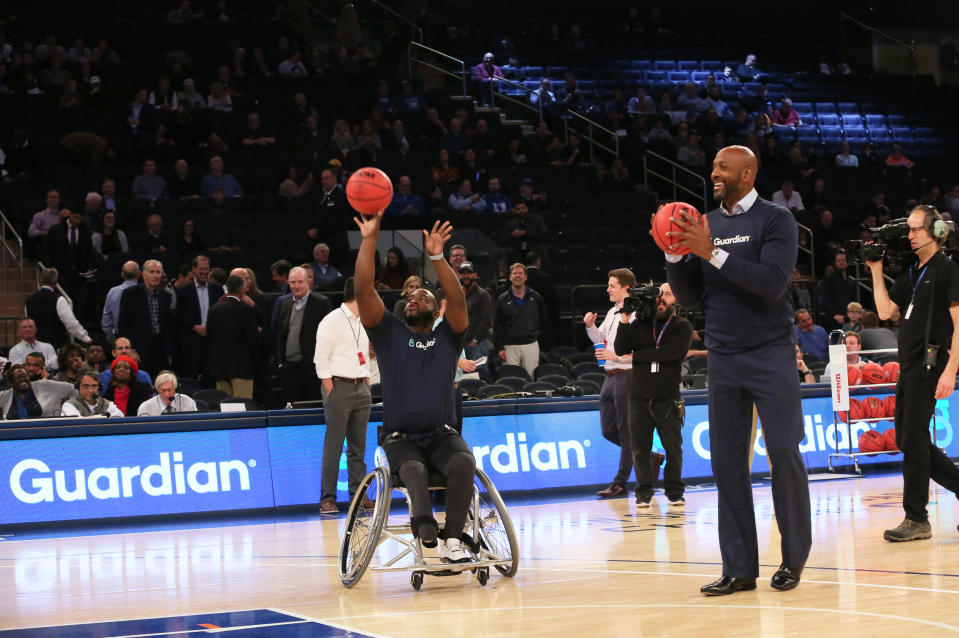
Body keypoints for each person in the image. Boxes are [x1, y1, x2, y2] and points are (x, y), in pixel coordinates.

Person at [664, 145, 811, 595]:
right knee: (728, 464)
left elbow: (771, 284)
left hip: (771, 354)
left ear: (748, 173)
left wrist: (711, 252)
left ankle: (792, 560)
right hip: (724, 358)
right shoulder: (707, 222)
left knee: (783, 452)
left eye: (723, 167)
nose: (714, 173)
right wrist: (673, 255)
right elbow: (688, 298)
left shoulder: (775, 220)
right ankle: (739, 568)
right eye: (713, 167)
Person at [353, 210, 476, 564]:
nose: (412, 300)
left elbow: (460, 299)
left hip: (441, 434)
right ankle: (424, 527)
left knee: (465, 462)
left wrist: (437, 257)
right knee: (415, 471)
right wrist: (369, 240)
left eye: (422, 298)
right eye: (410, 298)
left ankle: (453, 539)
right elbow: (363, 288)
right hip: (401, 438)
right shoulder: (389, 333)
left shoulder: (448, 336)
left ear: (438, 309)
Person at [867, 205, 959, 542]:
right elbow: (886, 311)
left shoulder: (947, 269)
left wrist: (951, 369)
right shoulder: (911, 271)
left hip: (931, 364)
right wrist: (876, 270)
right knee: (909, 440)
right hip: (908, 366)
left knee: (915, 439)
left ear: (935, 232)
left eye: (915, 229)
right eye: (908, 229)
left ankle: (916, 518)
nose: (909, 235)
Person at [614, 282, 693, 506]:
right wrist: (625, 318)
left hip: (667, 396)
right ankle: (643, 492)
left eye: (667, 294)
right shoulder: (641, 324)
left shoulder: (682, 326)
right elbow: (620, 348)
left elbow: (670, 353)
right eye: (659, 294)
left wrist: (636, 356)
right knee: (640, 448)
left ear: (675, 300)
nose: (661, 298)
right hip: (639, 397)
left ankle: (674, 491)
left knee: (673, 448)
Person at [314, 277, 372, 514]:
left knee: (358, 447)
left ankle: (358, 497)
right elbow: (321, 358)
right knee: (334, 446)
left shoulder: (363, 321)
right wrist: (331, 389)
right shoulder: (331, 321)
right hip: (339, 387)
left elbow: (364, 353)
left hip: (361, 388)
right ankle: (327, 498)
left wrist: (367, 379)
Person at [585, 268, 638, 499]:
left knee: (627, 432)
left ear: (626, 287)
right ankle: (643, 453)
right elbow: (600, 339)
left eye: (612, 286)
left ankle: (620, 482)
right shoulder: (612, 311)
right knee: (608, 430)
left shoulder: (636, 313)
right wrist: (590, 327)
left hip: (627, 374)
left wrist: (613, 355)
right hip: (609, 376)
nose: (608, 289)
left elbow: (637, 349)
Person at [274, 266, 332, 404]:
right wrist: (280, 362)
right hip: (289, 369)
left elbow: (330, 334)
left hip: (311, 369)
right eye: (293, 282)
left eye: (300, 282)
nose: (296, 286)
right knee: (292, 412)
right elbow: (279, 332)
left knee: (312, 410)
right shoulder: (283, 303)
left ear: (308, 283)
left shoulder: (321, 303)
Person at [117, 259, 176, 378]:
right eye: (152, 272)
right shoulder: (130, 294)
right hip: (139, 348)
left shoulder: (165, 296)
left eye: (158, 272)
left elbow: (169, 326)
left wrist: (169, 352)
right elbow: (123, 325)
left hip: (161, 349)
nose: (155, 275)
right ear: (143, 274)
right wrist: (131, 350)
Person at [206, 274, 258, 398]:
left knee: (226, 411)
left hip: (220, 369)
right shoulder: (245, 310)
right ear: (242, 289)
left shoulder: (213, 309)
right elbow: (252, 339)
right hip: (241, 368)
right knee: (242, 410)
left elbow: (209, 337)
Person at [175, 255, 224, 381]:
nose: (203, 272)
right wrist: (194, 327)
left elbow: (221, 313)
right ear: (194, 269)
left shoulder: (217, 289)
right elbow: (179, 316)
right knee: (190, 379)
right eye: (201, 269)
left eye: (206, 269)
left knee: (211, 378)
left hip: (212, 341)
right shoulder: (184, 290)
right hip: (191, 341)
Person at [493, 263, 546, 379]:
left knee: (532, 379)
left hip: (531, 345)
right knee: (512, 380)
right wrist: (500, 347)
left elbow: (544, 321)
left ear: (526, 277)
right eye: (514, 273)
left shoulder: (536, 297)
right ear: (510, 277)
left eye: (521, 273)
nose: (518, 276)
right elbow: (497, 326)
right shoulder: (502, 299)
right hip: (510, 347)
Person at [25, 267, 92, 349]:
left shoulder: (29, 301)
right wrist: (85, 338)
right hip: (56, 346)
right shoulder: (59, 300)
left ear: (40, 281)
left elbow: (27, 324)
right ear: (56, 283)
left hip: (35, 347)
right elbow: (71, 323)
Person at [1, 364, 76, 419]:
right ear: (11, 382)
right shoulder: (5, 396)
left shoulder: (45, 385)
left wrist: (69, 407)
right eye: (17, 378)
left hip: (47, 432)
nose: (22, 379)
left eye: (24, 376)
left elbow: (72, 389)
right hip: (15, 435)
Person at [102, 261, 140, 345]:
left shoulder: (113, 292)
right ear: (139, 273)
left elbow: (106, 321)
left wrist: (112, 341)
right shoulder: (144, 292)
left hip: (119, 340)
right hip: (141, 340)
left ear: (122, 274)